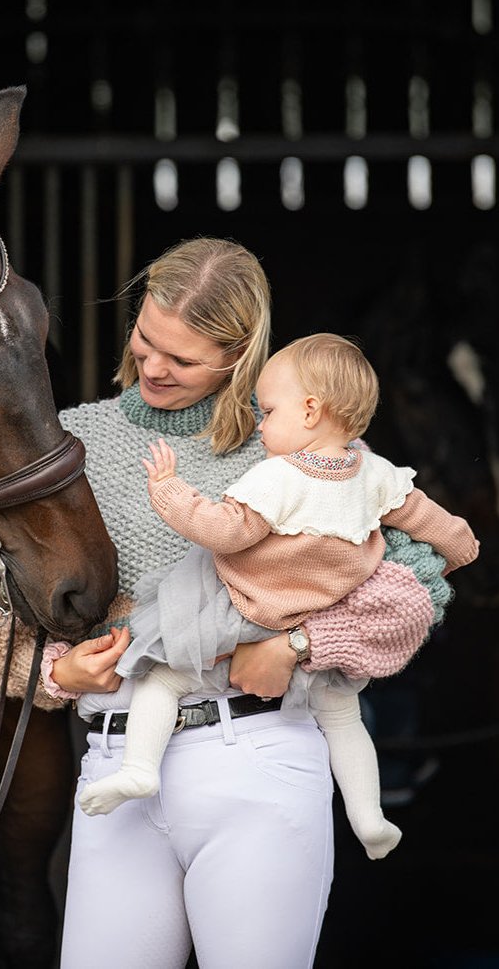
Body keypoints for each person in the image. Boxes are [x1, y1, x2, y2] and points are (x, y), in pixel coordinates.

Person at [0, 236, 458, 969]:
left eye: (183, 358)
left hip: (255, 760)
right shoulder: (69, 442)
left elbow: (419, 571)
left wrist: (296, 649)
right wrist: (56, 672)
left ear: (238, 354)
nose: (155, 366)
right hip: (117, 769)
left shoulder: (302, 448)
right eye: (147, 339)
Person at [75, 332, 479, 864]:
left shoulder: (278, 477)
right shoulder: (379, 477)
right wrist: (460, 552)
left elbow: (226, 531)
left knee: (161, 677)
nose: (259, 425)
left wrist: (170, 492)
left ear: (310, 410)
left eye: (267, 412)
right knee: (343, 716)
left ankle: (138, 770)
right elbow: (443, 530)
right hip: (308, 624)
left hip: (239, 609)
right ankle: (369, 816)